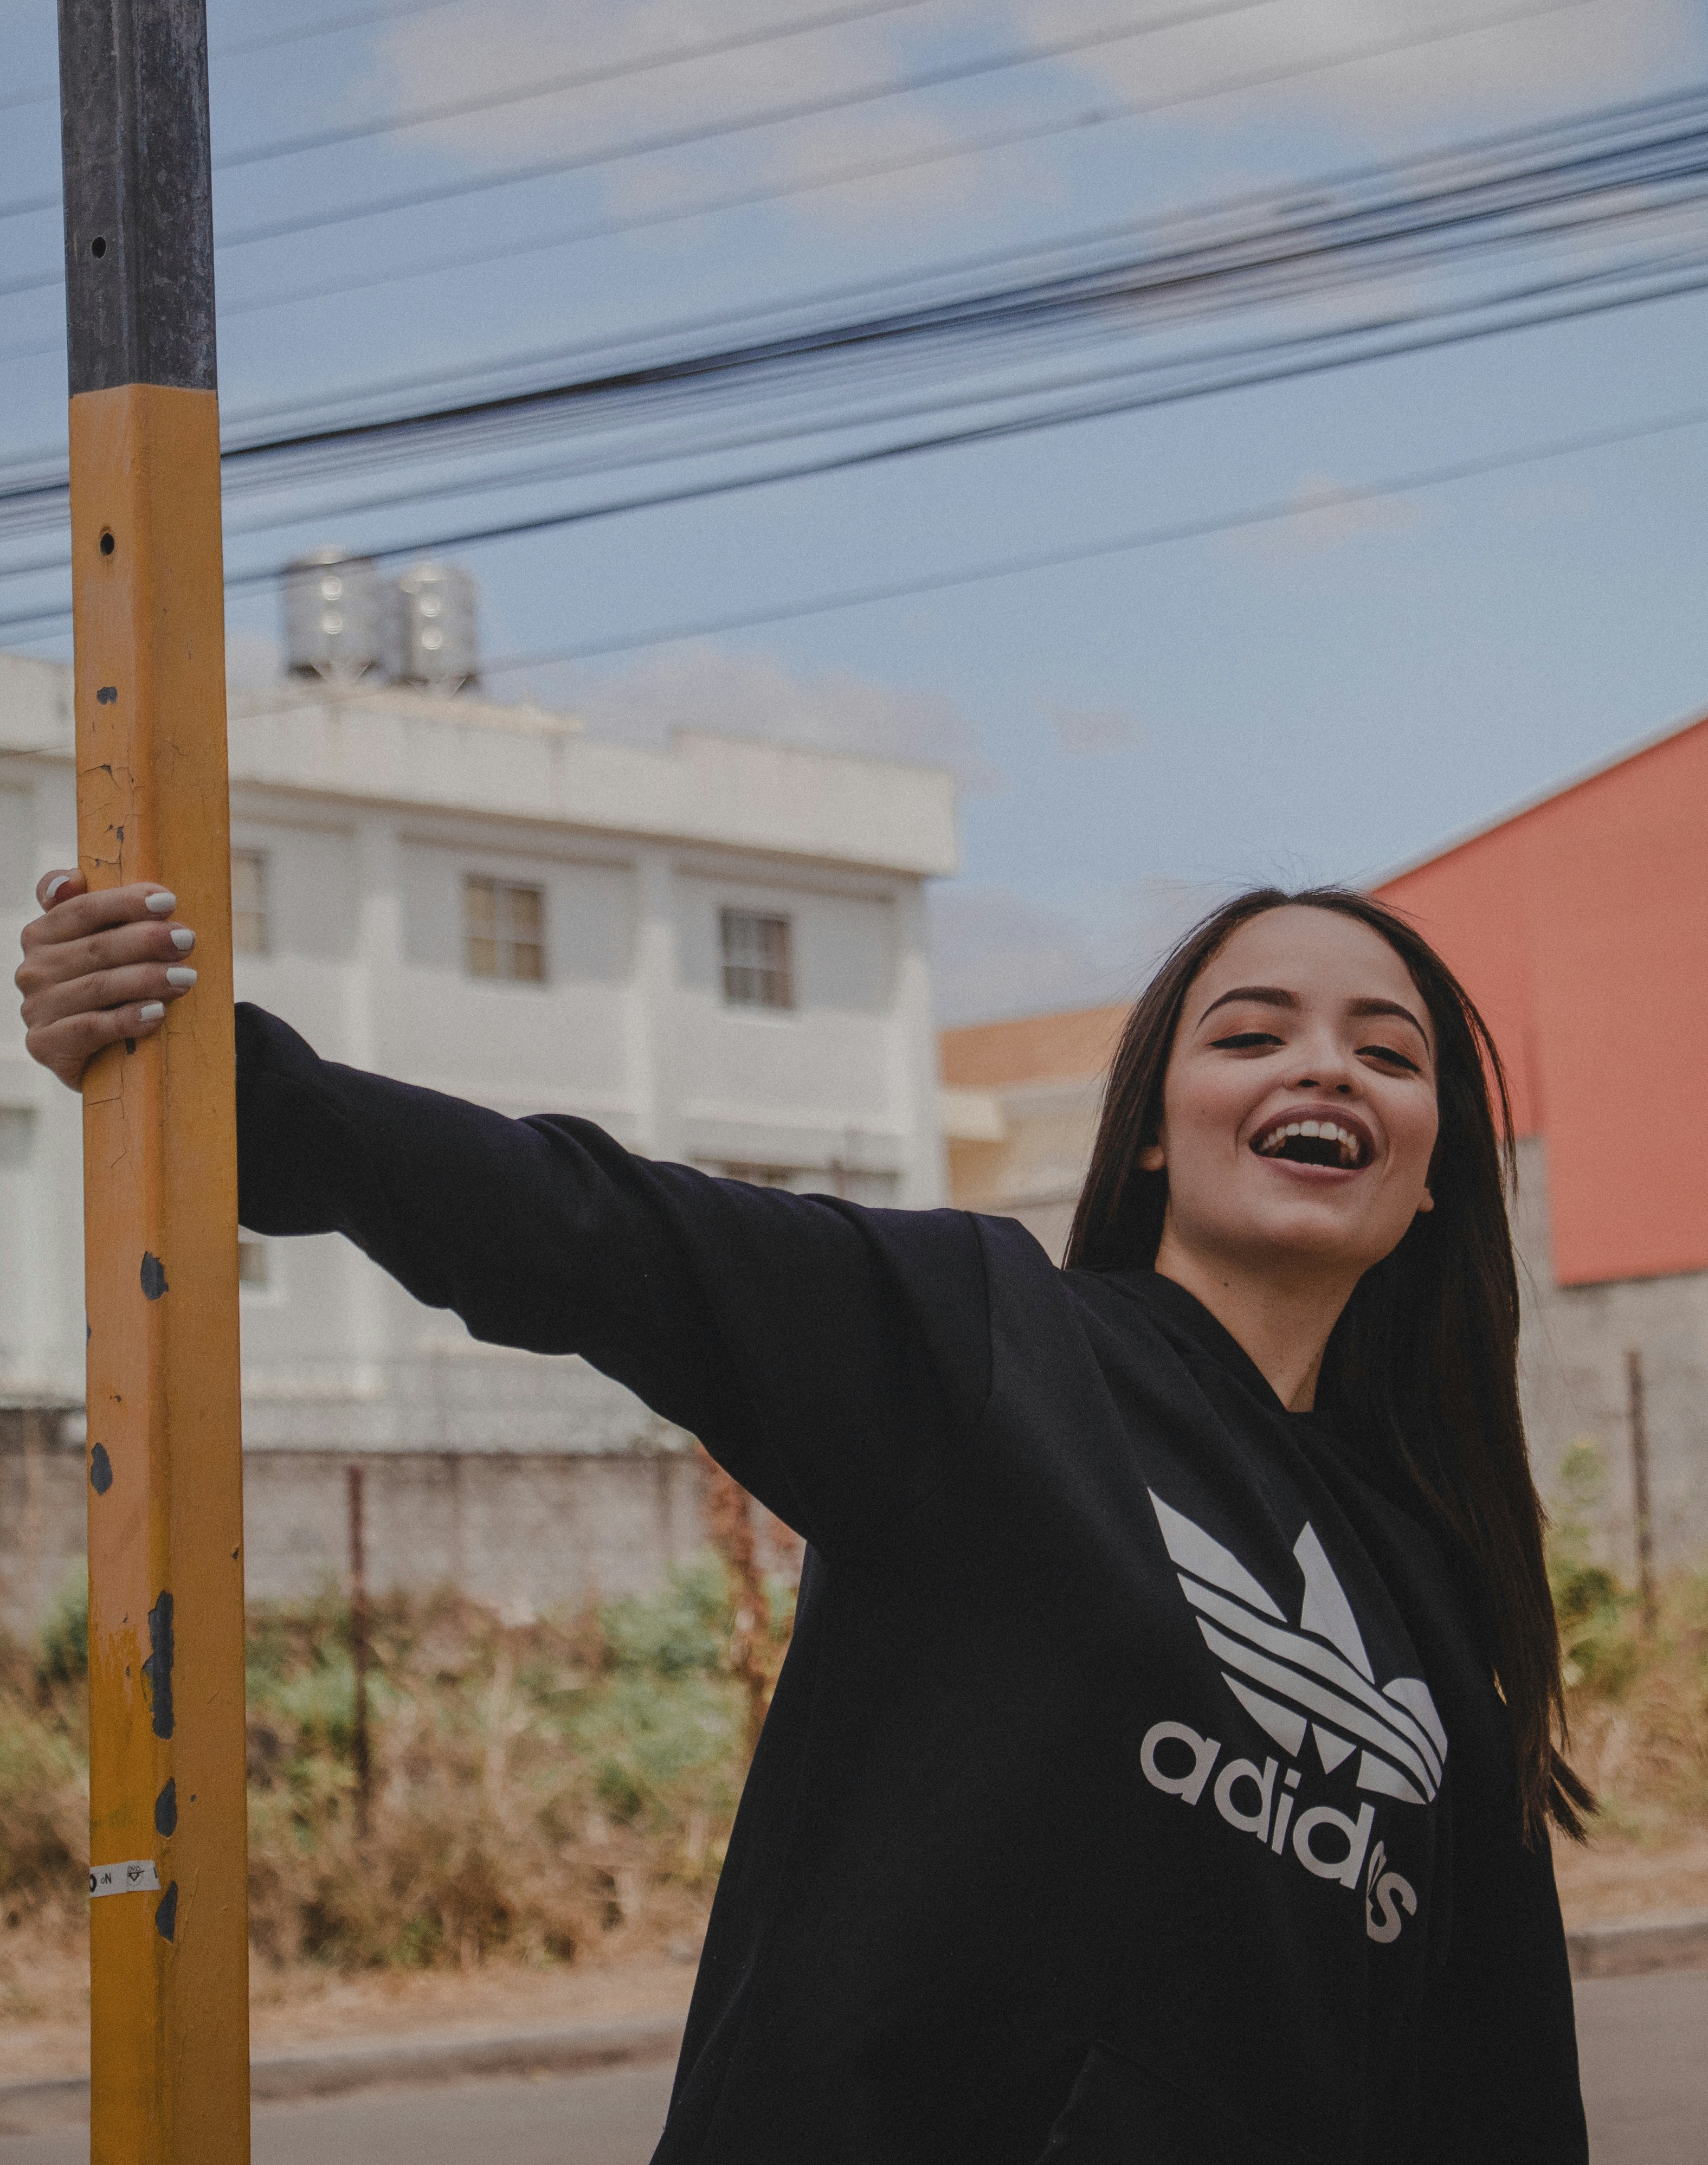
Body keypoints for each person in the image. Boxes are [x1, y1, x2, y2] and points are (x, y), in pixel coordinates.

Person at [18, 867, 1590, 2164]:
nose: (1326, 1067)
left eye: (1390, 1055)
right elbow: (590, 1227)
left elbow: (1494, 2098)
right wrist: (218, 1079)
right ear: (1157, 1128)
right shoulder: (988, 1345)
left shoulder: (1441, 1610)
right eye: (1254, 1034)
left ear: (1435, 1172)